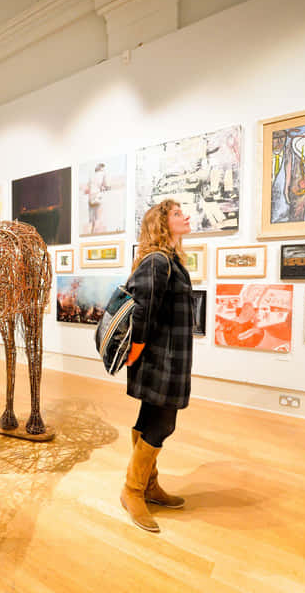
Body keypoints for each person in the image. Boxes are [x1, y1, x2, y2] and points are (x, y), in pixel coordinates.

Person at [122, 199, 192, 533]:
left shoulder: (171, 261)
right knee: (162, 425)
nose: (185, 216)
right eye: (177, 213)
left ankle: (147, 486)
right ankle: (133, 490)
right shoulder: (156, 261)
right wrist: (135, 353)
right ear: (161, 223)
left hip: (168, 357)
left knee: (149, 419)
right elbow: (142, 311)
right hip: (158, 359)